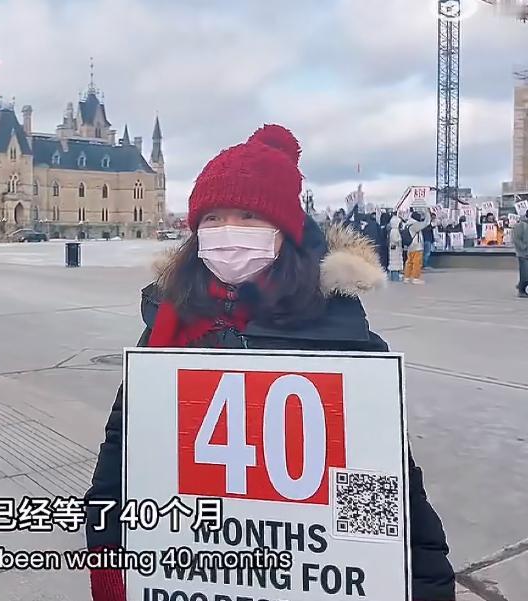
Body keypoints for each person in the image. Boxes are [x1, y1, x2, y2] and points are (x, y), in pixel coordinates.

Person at [84, 124, 455, 601]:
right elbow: (121, 456)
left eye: (248, 216)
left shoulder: (343, 339)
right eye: (213, 218)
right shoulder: (167, 325)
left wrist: (419, 584)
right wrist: (108, 556)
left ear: (285, 231)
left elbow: (387, 496)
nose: (228, 231)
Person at [403, 211, 430, 284]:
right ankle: (416, 278)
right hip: (417, 246)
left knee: (409, 262)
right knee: (417, 263)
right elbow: (426, 223)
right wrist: (427, 213)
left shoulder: (407, 224)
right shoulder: (415, 225)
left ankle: (407, 277)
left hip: (410, 246)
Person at [515, 211, 528, 298]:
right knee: (525, 273)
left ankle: (520, 285)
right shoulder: (520, 225)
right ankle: (521, 290)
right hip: (523, 254)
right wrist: (523, 247)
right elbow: (516, 238)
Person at [388, 214, 405, 282]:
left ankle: (395, 277)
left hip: (394, 250)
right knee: (395, 264)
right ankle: (395, 278)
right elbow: (395, 240)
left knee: (394, 264)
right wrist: (400, 240)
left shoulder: (393, 230)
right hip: (395, 250)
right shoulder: (395, 231)